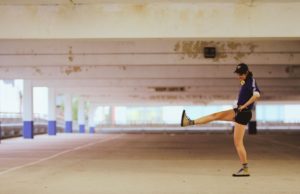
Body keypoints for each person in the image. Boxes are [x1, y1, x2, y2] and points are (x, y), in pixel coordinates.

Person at [181, 63, 261, 177]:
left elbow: (257, 95)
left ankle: (245, 169)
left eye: (241, 74)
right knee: (215, 115)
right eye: (238, 74)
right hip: (239, 111)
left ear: (247, 72)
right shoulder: (245, 80)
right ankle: (189, 122)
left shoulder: (251, 80)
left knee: (238, 143)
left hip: (244, 113)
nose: (239, 76)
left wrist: (244, 106)